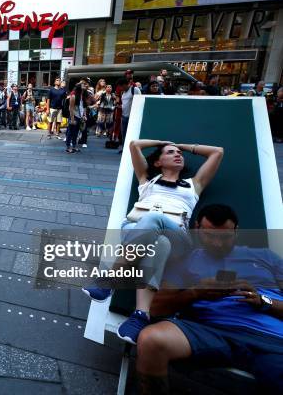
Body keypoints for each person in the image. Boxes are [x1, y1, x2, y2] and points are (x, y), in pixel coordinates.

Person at [83, 140, 224, 344]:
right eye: (170, 152)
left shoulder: (194, 185)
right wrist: (161, 143)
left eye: (179, 153)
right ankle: (141, 315)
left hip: (177, 236)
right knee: (160, 245)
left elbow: (217, 151)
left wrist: (183, 146)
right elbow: (134, 146)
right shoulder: (147, 181)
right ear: (158, 163)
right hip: (136, 231)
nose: (178, 155)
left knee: (153, 219)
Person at [137, 204, 283, 394]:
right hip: (209, 330)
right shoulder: (186, 261)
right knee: (151, 340)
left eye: (225, 237)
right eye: (210, 236)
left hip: (269, 337)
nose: (217, 244)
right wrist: (195, 292)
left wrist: (263, 301)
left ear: (236, 231)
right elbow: (156, 307)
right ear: (197, 229)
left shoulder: (265, 257)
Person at [119, 78, 142, 149]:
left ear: (125, 85)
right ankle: (124, 149)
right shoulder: (123, 93)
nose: (120, 88)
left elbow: (140, 101)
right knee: (124, 134)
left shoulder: (135, 89)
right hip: (124, 116)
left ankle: (131, 150)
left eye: (121, 86)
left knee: (132, 135)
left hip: (132, 117)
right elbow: (124, 104)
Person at [66, 83, 88, 153]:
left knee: (76, 133)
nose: (85, 86)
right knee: (70, 132)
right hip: (74, 116)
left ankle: (74, 146)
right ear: (79, 87)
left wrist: (84, 115)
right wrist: (72, 119)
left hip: (79, 116)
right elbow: (71, 108)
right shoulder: (73, 95)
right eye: (83, 85)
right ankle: (68, 147)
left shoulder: (82, 95)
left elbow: (83, 107)